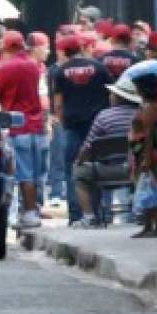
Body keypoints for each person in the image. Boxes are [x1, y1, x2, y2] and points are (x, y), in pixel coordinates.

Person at [52, 34, 111, 224]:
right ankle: (102, 211)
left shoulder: (61, 72)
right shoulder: (99, 67)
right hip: (98, 126)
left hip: (73, 127)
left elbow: (59, 103)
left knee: (74, 169)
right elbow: (109, 95)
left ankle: (77, 214)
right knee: (100, 167)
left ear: (64, 51)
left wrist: (62, 122)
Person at [0, 30, 47, 228]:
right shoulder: (34, 67)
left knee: (22, 174)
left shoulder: (5, 68)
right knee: (35, 172)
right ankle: (32, 210)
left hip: (16, 126)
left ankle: (29, 213)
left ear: (9, 48)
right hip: (35, 124)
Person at [71, 76, 140, 227]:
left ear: (118, 97)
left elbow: (88, 147)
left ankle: (89, 216)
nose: (110, 96)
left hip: (106, 171)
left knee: (80, 173)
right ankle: (141, 212)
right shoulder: (141, 114)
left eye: (112, 93)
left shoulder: (103, 116)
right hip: (136, 170)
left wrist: (79, 162)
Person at [128, 68, 157, 238]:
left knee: (152, 189)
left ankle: (156, 226)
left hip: (148, 153)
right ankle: (147, 225)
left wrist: (146, 158)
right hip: (141, 152)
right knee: (145, 189)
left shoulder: (150, 108)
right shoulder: (147, 106)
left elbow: (149, 134)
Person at [45, 34, 76, 207]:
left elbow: (55, 97)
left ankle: (60, 192)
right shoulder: (54, 71)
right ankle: (59, 191)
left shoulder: (57, 71)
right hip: (70, 119)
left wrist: (55, 114)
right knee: (61, 156)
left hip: (62, 117)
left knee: (61, 156)